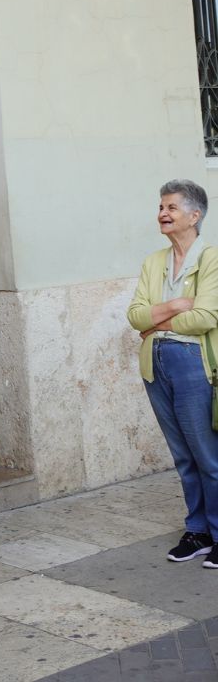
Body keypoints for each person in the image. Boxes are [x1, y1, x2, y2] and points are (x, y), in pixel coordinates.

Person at [128, 178, 218, 569]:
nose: (162, 214)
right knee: (183, 456)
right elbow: (135, 316)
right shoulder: (153, 262)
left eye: (171, 208)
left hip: (194, 363)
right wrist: (178, 305)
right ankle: (198, 531)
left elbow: (206, 317)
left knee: (208, 457)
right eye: (161, 207)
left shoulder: (212, 259)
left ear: (194, 216)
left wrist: (158, 322)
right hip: (156, 363)